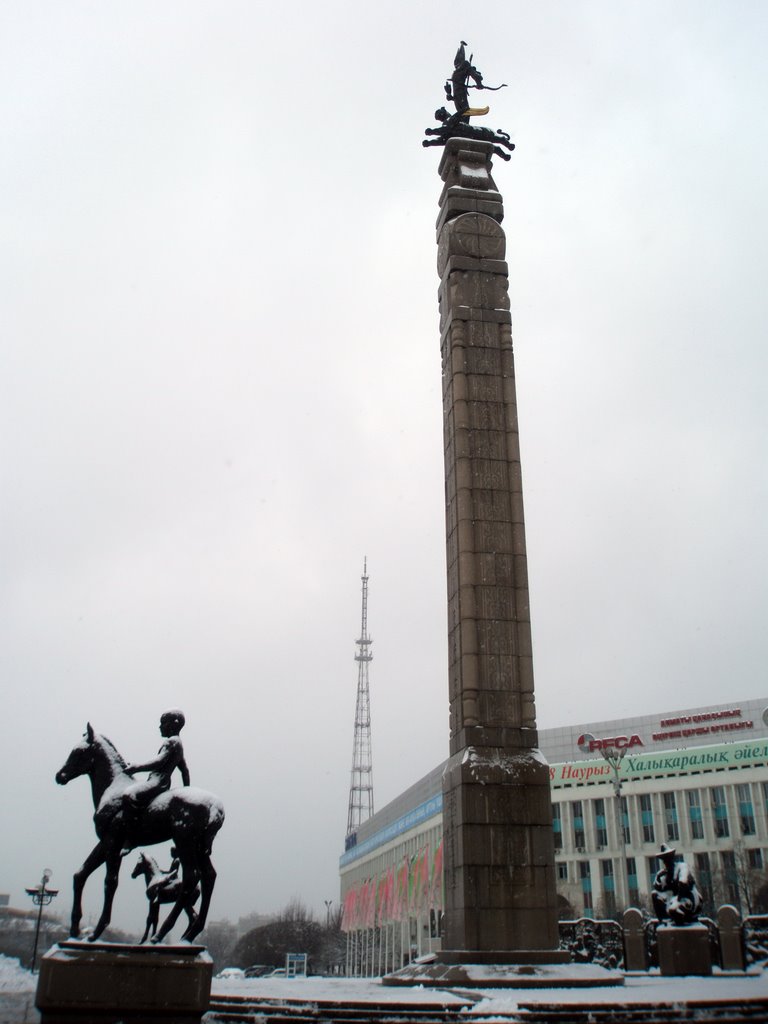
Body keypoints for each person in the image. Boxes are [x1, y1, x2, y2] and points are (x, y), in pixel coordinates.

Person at [123, 709, 190, 814]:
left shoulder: (171, 742)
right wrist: (187, 791)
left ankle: (134, 825)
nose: (160, 727)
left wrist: (137, 767)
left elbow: (159, 762)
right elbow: (185, 771)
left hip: (157, 783)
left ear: (173, 725)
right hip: (164, 783)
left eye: (163, 723)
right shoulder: (178, 744)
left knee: (129, 795)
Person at [652, 842, 702, 925]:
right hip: (676, 901)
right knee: (655, 895)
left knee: (674, 910)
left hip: (689, 900)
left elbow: (683, 883)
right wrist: (658, 876)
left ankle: (679, 928)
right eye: (665, 861)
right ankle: (665, 922)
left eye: (668, 859)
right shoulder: (668, 874)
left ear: (672, 859)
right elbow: (659, 888)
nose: (666, 863)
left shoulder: (682, 867)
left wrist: (676, 901)